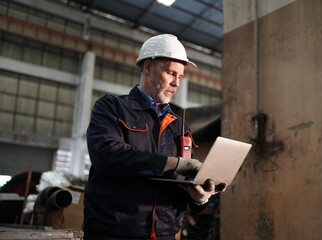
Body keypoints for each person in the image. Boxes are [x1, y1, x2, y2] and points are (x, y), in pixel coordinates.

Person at [84, 34, 225, 240]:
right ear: (148, 67)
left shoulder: (179, 125)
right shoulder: (112, 107)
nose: (176, 83)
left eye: (180, 77)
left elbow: (184, 183)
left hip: (165, 233)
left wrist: (200, 198)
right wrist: (173, 163)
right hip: (115, 231)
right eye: (171, 73)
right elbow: (106, 155)